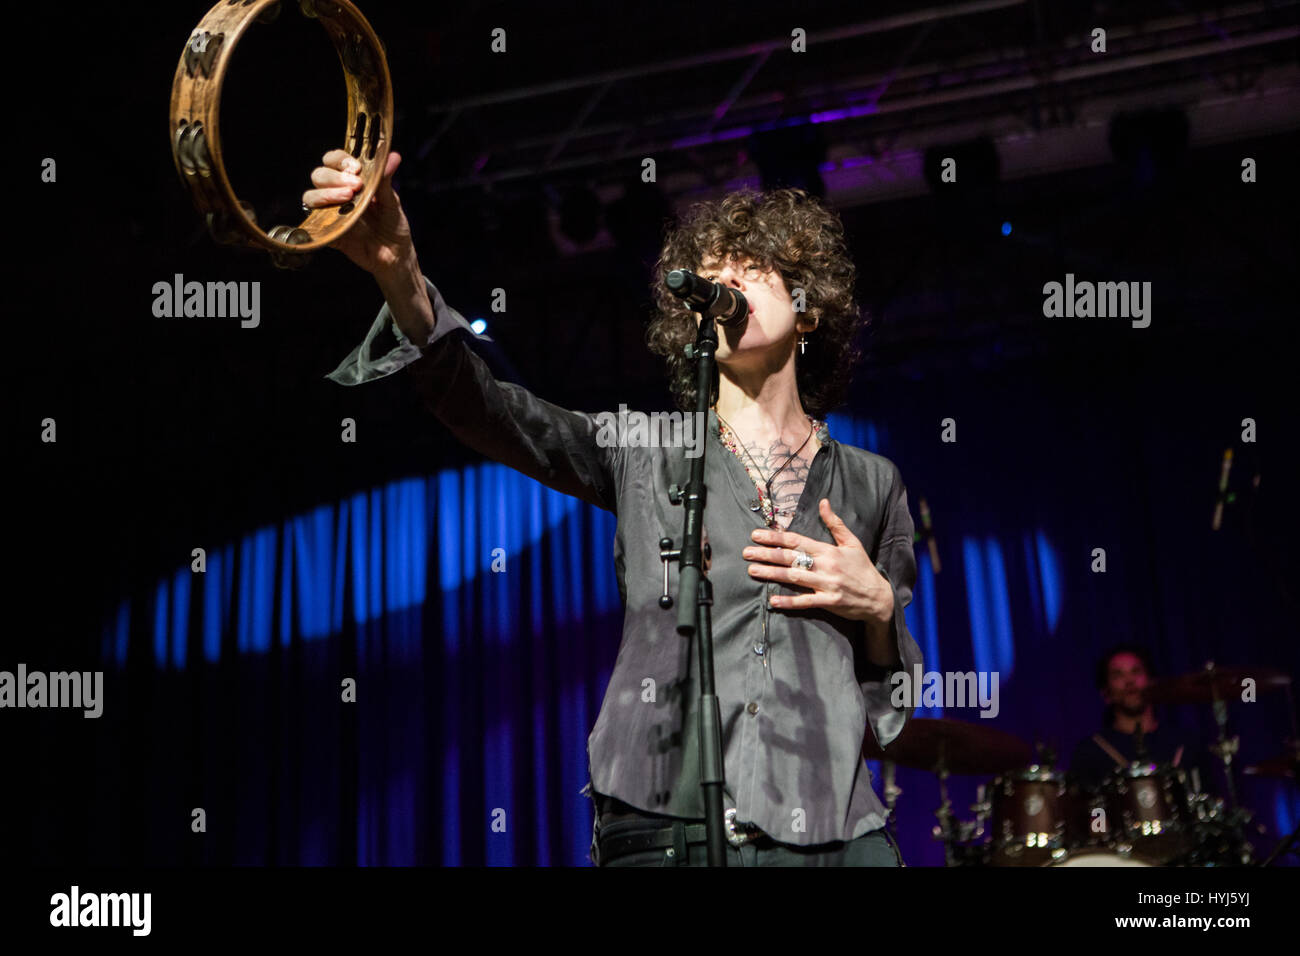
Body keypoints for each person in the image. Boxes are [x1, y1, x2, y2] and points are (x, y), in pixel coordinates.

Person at [311, 148, 923, 866]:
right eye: (712, 270)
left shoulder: (872, 483)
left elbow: (890, 711)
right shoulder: (641, 450)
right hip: (665, 820)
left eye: (750, 266)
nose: (723, 280)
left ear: (808, 309)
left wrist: (879, 611)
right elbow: (491, 410)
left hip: (831, 830)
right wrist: (400, 275)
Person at [1068, 645, 1212, 792]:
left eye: (1136, 672)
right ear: (1106, 694)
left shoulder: (1185, 743)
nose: (1129, 681)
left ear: (1151, 682)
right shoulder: (1091, 752)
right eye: (1118, 675)